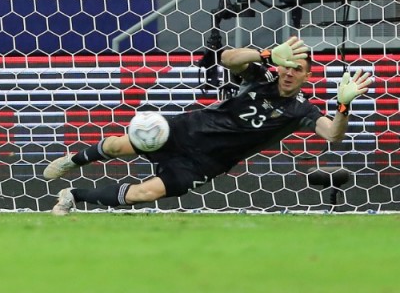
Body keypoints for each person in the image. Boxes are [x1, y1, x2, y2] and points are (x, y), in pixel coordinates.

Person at [44, 36, 373, 215]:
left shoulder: (301, 111)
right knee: (119, 145)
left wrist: (343, 106)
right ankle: (72, 162)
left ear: (306, 76)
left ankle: (73, 196)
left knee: (144, 193)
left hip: (207, 162)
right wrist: (266, 54)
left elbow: (333, 134)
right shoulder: (258, 77)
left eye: (298, 70)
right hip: (186, 130)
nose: (290, 72)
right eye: (288, 66)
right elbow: (227, 58)